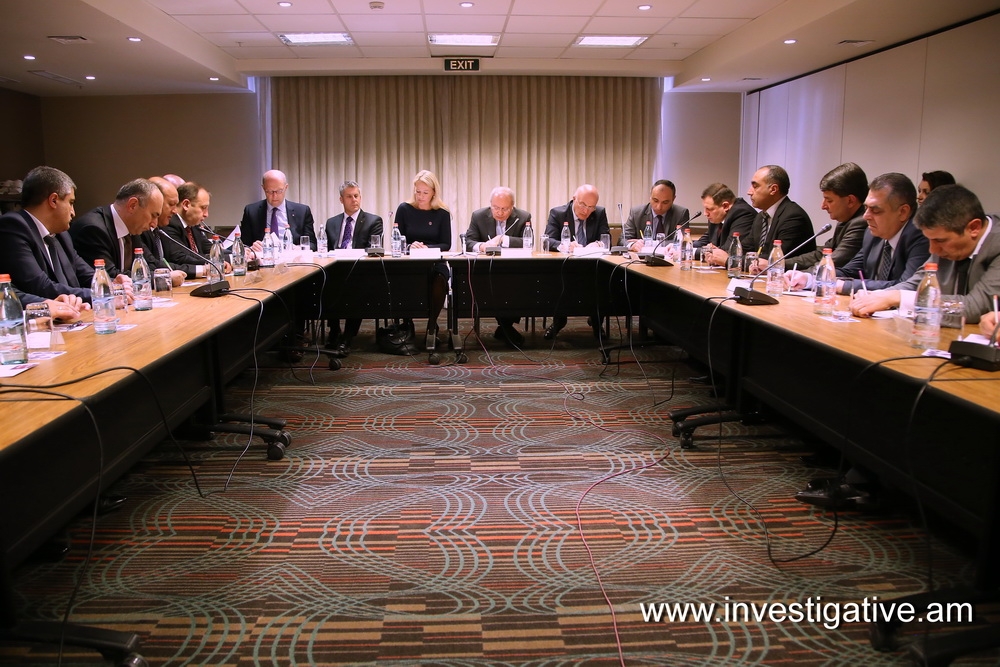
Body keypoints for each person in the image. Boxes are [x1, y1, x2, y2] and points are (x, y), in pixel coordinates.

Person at [851, 184, 1000, 324]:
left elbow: (977, 306)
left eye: (939, 240)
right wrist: (878, 296)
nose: (932, 250)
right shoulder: (946, 241)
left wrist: (897, 297)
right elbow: (918, 283)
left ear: (974, 228)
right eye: (929, 240)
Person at [786, 173, 929, 295]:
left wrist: (844, 286)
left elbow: (905, 287)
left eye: (875, 210)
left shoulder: (920, 236)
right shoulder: (872, 234)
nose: (866, 216)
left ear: (903, 212)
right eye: (866, 208)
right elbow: (850, 271)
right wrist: (808, 278)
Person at [0, 166, 99, 303]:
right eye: (70, 203)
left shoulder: (61, 234)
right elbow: (40, 286)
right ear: (53, 200)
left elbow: (86, 275)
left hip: (75, 311)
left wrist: (114, 286)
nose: (73, 212)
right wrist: (100, 295)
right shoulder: (13, 226)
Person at [466, 186, 532, 347]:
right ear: (490, 204)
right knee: (496, 286)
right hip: (486, 270)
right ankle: (505, 328)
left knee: (518, 284)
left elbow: (528, 243)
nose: (500, 212)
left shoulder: (523, 217)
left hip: (512, 269)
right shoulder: (478, 216)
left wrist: (503, 239)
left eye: (504, 209)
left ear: (512, 206)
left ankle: (505, 327)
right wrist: (482, 246)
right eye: (495, 207)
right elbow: (469, 242)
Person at [325, 180, 384, 357]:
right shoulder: (331, 223)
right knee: (326, 282)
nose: (354, 200)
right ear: (341, 199)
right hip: (336, 269)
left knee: (356, 286)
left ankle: (348, 337)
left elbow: (372, 249)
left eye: (356, 196)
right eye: (349, 197)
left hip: (361, 271)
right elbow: (326, 249)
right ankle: (334, 330)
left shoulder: (373, 221)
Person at [543, 184, 610, 340]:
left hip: (592, 266)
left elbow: (606, 238)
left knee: (603, 280)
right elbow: (548, 240)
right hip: (566, 266)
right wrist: (565, 245)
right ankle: (559, 321)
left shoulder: (599, 213)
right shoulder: (558, 213)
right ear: (574, 199)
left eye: (591, 207)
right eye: (583, 205)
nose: (586, 211)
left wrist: (598, 244)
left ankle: (597, 322)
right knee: (559, 281)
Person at [719, 165, 814, 272]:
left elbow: (773, 260)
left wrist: (729, 261)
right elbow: (745, 248)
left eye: (755, 186)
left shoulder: (793, 217)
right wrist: (721, 254)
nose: (749, 192)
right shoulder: (761, 217)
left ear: (773, 189)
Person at [394, 170, 452, 345]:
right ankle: (407, 323)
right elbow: (397, 239)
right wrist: (409, 246)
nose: (420, 196)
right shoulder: (404, 209)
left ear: (434, 192)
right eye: (417, 192)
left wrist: (426, 248)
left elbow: (446, 244)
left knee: (440, 280)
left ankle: (432, 326)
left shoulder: (442, 213)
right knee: (401, 279)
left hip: (435, 261)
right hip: (410, 260)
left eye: (425, 192)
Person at [69, 178, 163, 282]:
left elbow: (150, 265)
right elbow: (110, 277)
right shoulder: (93, 229)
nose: (154, 224)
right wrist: (164, 278)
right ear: (132, 205)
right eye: (153, 215)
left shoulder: (134, 228)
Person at [783, 162, 868, 270]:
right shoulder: (846, 219)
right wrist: (781, 264)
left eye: (829, 200)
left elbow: (831, 265)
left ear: (850, 200)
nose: (823, 206)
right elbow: (821, 254)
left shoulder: (861, 223)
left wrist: (801, 276)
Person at [162, 182, 231, 278]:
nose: (206, 214)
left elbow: (210, 249)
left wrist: (237, 254)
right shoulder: (170, 224)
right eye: (203, 208)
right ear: (186, 204)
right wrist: (221, 261)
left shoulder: (193, 225)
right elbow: (181, 257)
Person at [239, 169, 317, 251]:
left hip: (291, 257)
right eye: (269, 191)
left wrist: (299, 248)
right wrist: (251, 248)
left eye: (279, 191)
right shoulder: (251, 211)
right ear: (263, 188)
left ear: (286, 187)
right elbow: (244, 244)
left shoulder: (302, 211)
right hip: (264, 256)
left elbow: (313, 244)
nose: (274, 196)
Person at [136, 176, 187, 287]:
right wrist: (166, 277)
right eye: (171, 204)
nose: (175, 211)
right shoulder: (139, 230)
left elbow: (169, 260)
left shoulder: (161, 229)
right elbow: (152, 264)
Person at [696, 183, 756, 266]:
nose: (705, 213)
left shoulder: (743, 213)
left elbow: (729, 250)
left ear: (725, 206)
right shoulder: (717, 216)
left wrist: (697, 251)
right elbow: (703, 241)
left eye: (709, 209)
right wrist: (682, 247)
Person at [623, 180, 690, 252]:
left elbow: (682, 241)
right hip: (642, 257)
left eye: (665, 202)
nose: (659, 207)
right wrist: (632, 245)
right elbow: (623, 240)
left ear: (673, 199)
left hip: (669, 256)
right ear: (650, 196)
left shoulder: (681, 214)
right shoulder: (636, 213)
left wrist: (651, 243)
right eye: (655, 200)